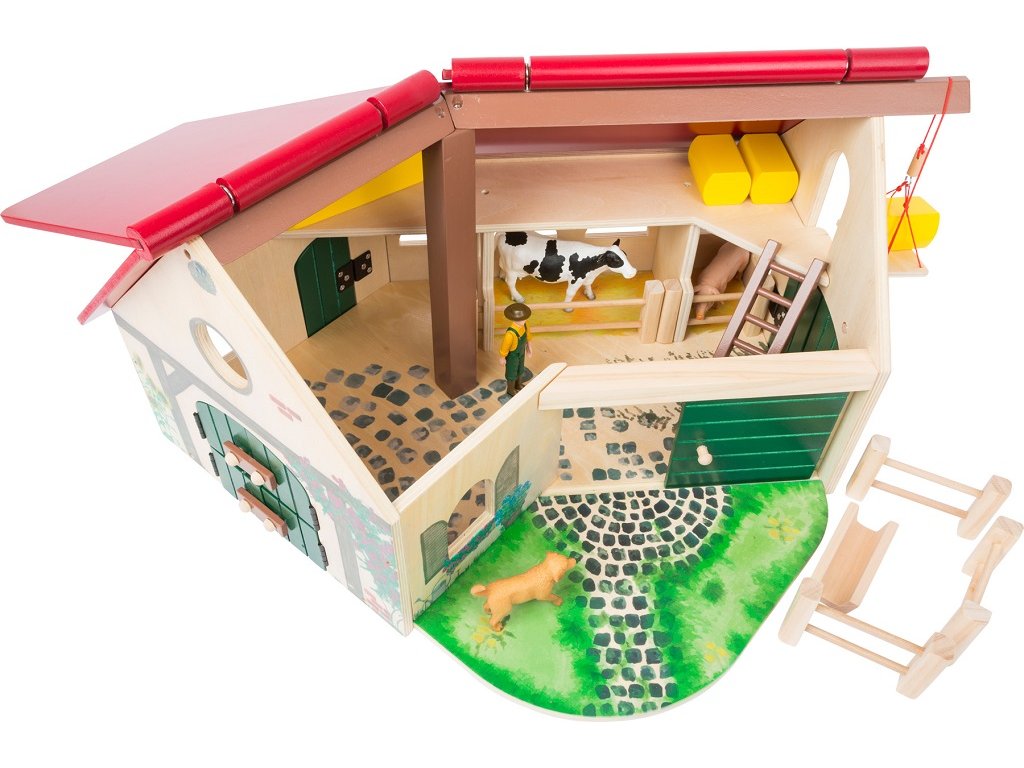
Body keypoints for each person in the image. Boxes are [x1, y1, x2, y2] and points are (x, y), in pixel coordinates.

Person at [500, 302, 532, 396]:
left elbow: (528, 336)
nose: (524, 320)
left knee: (520, 368)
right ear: (514, 319)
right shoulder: (510, 333)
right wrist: (502, 357)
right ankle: (510, 389)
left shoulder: (525, 325)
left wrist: (529, 348)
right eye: (522, 319)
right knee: (512, 372)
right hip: (512, 356)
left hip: (521, 353)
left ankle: (518, 385)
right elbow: (505, 347)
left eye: (525, 318)